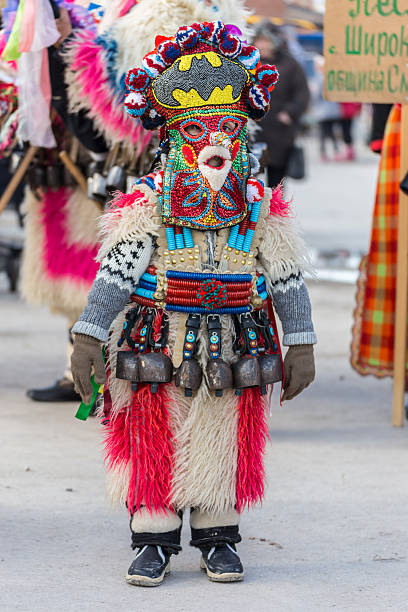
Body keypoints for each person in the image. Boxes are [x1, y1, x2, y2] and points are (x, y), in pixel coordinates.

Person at [71, 21, 317, 587]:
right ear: (175, 142)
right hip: (157, 336)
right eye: (198, 132)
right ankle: (152, 536)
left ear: (240, 137)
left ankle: (218, 536)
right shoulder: (148, 203)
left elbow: (286, 278)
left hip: (237, 341)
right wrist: (88, 335)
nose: (213, 143)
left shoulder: (261, 208)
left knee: (220, 433)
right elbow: (116, 271)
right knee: (155, 433)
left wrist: (301, 341)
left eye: (225, 129)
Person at [253, 22, 310, 188]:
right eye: (259, 41)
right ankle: (254, 212)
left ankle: (274, 210)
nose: (262, 45)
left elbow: (302, 93)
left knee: (277, 177)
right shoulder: (249, 64)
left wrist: (290, 113)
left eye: (266, 41)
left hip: (280, 129)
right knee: (251, 176)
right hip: (255, 127)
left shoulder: (290, 65)